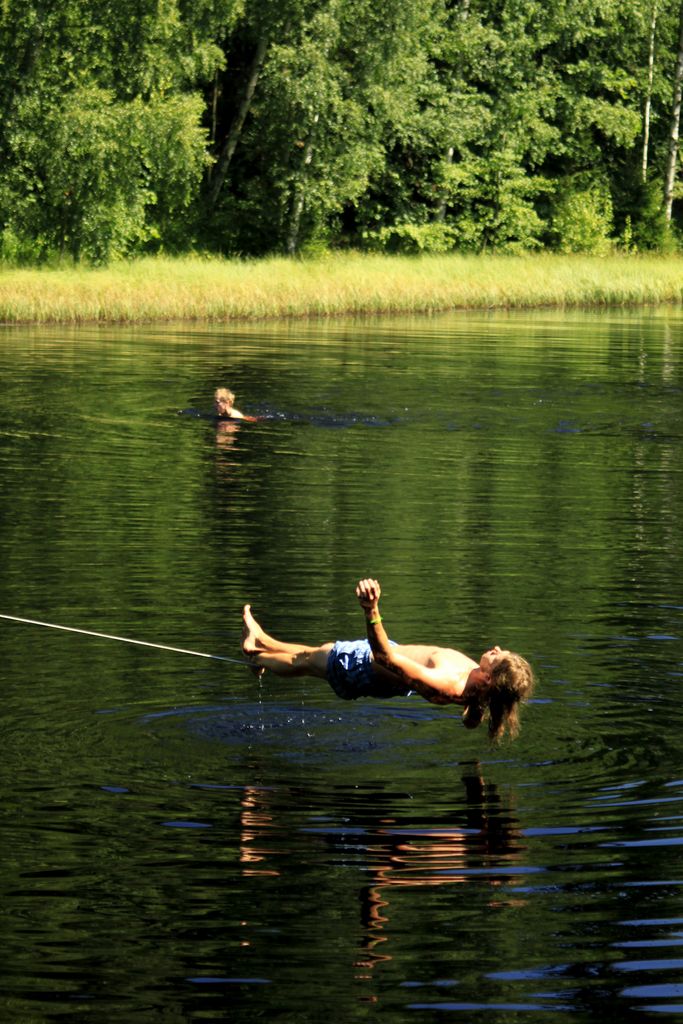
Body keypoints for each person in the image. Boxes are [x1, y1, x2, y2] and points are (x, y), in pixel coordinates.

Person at [241, 578, 534, 741]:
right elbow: (471, 719)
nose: (495, 648)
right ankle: (263, 641)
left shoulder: (448, 684)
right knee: (314, 653)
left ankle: (258, 658)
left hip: (362, 668)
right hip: (371, 665)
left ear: (490, 678)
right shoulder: (478, 688)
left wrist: (372, 610)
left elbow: (385, 657)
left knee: (302, 662)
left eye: (497, 656)